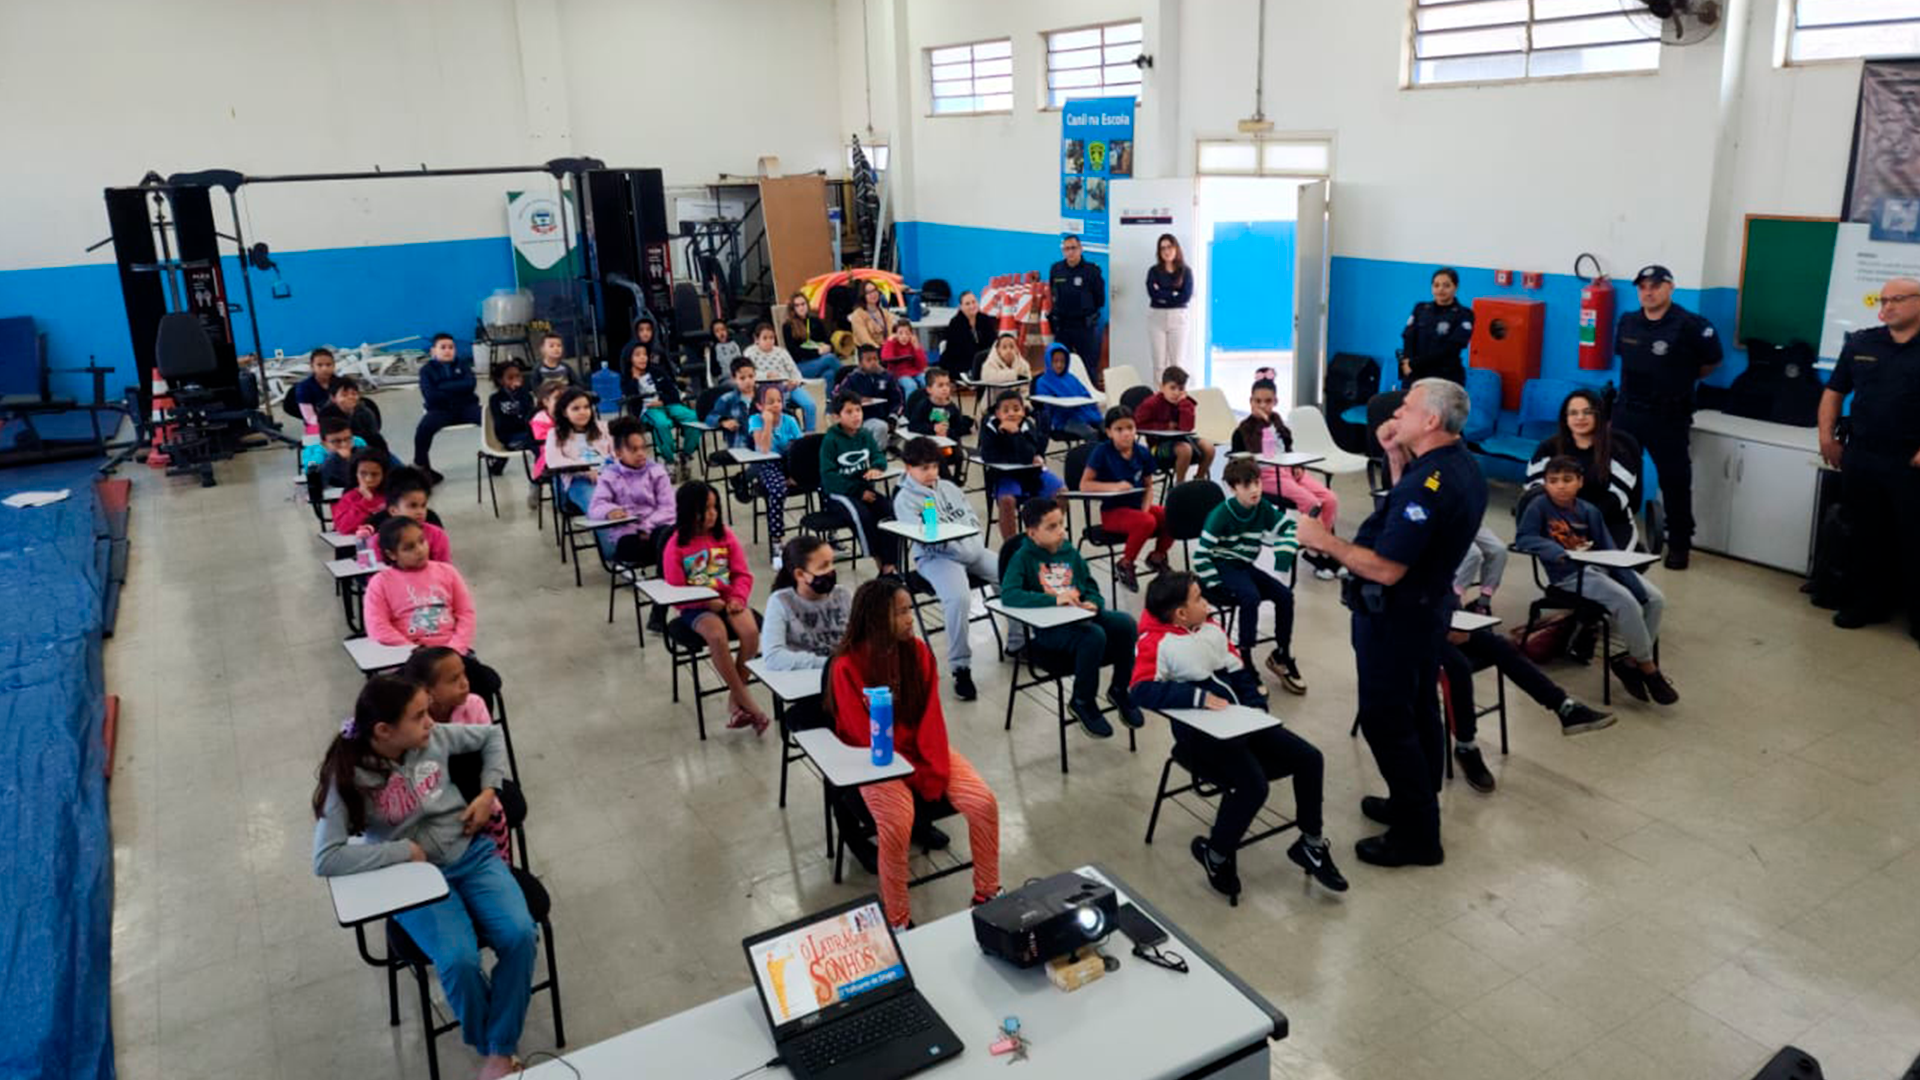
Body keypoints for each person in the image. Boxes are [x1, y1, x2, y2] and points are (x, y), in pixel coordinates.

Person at [1294, 378, 1486, 868]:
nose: (1396, 413)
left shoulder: (1429, 483)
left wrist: (1323, 539)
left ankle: (1419, 834)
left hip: (1398, 617)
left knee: (1386, 722)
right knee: (1419, 709)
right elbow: (1410, 517)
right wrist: (1396, 456)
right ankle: (1413, 804)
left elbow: (1387, 567)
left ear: (1431, 420)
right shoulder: (1454, 465)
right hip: (1426, 610)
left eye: (1406, 408)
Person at [311, 676, 530, 1080]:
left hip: (472, 854)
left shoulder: (433, 737)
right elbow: (326, 857)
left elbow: (491, 735)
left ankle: (499, 1049)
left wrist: (487, 793)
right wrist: (400, 851)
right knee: (459, 960)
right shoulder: (348, 775)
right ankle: (495, 1047)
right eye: (419, 716)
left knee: (520, 935)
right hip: (412, 879)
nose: (432, 721)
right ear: (384, 731)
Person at [1129, 572, 1345, 897]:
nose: (1207, 603)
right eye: (1199, 598)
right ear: (1181, 614)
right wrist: (1197, 697)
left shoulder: (1211, 628)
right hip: (1201, 737)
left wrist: (1256, 707)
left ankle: (1311, 844)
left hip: (1242, 723)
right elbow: (1140, 690)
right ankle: (1215, 855)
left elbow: (1238, 670)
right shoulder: (1156, 642)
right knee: (1253, 785)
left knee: (1310, 759)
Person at [824, 580, 1002, 930]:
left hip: (921, 749)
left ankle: (987, 893)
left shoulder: (918, 652)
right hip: (875, 760)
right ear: (876, 618)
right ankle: (898, 919)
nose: (910, 619)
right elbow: (862, 735)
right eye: (900, 612)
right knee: (896, 824)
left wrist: (931, 768)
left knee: (982, 802)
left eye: (909, 610)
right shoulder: (846, 666)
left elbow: (931, 717)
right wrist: (910, 773)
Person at [1516, 456, 1677, 705]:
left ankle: (1630, 662)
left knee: (1654, 599)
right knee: (1626, 602)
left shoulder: (1588, 510)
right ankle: (1648, 668)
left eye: (1567, 480)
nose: (1560, 486)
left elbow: (1607, 547)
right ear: (1545, 484)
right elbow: (1524, 538)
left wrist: (1628, 578)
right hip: (1569, 576)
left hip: (1599, 567)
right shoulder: (1538, 507)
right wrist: (1556, 551)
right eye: (1553, 481)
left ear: (1580, 482)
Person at [1820, 275, 1920, 643]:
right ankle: (1867, 604)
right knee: (1865, 535)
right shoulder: (1862, 342)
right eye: (1883, 300)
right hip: (1862, 455)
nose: (1887, 306)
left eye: (1897, 299)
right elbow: (1834, 391)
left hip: (1909, 461)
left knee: (1914, 539)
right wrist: (1826, 436)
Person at [1439, 588, 1615, 794]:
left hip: (1444, 621)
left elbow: (1446, 591)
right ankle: (1466, 746)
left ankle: (1564, 707)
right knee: (1458, 667)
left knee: (1501, 646)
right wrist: (1442, 629)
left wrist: (1456, 619)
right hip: (1418, 632)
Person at [1000, 497, 1143, 737]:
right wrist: (1054, 600)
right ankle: (1082, 701)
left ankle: (1119, 689)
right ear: (1032, 533)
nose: (1061, 531)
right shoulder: (1022, 557)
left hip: (1080, 615)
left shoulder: (1070, 552)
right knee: (1094, 636)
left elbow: (1090, 586)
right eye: (1052, 527)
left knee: (1126, 624)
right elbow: (1010, 594)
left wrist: (1093, 604)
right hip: (1051, 629)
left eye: (1061, 524)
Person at [1613, 264, 1723, 569]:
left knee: (1674, 481)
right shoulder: (1628, 321)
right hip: (1628, 412)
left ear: (1670, 287)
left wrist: (1679, 379)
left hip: (1668, 416)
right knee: (1619, 476)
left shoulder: (1692, 325)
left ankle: (1679, 545)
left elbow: (1710, 363)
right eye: (1643, 287)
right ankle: (1619, 536)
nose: (1648, 292)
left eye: (1655, 286)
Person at [895, 437, 999, 701]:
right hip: (937, 558)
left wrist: (970, 544)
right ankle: (960, 667)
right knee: (959, 598)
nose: (931, 473)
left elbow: (971, 517)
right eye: (924, 468)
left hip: (971, 550)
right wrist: (952, 542)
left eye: (934, 466)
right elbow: (926, 535)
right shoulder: (905, 499)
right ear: (908, 468)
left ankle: (1019, 641)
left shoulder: (949, 487)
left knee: (1009, 572)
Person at [662, 480, 768, 733]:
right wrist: (705, 602)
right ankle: (749, 703)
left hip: (728, 600)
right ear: (689, 512)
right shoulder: (676, 546)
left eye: (715, 508)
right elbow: (675, 592)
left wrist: (737, 598)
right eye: (705, 509)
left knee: (750, 632)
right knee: (716, 635)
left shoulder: (725, 536)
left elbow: (742, 574)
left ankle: (736, 699)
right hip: (694, 607)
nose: (712, 514)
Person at [1195, 458, 1306, 695]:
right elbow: (1201, 554)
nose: (1255, 489)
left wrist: (1286, 545)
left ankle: (1282, 654)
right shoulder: (1220, 514)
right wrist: (1214, 583)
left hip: (1245, 566)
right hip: (1221, 566)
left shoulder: (1262, 506)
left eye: (1257, 483)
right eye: (1247, 485)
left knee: (1285, 595)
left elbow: (1288, 526)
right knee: (1250, 597)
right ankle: (1244, 659)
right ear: (1233, 488)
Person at [364, 516, 500, 699]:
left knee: (480, 684)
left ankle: (475, 716)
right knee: (405, 698)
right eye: (409, 547)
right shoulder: (380, 583)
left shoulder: (448, 572)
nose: (420, 550)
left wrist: (455, 648)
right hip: (409, 659)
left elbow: (465, 614)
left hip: (452, 651)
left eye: (422, 541)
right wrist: (414, 651)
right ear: (392, 554)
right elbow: (378, 628)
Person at [403, 647, 512, 859]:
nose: (465, 683)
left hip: (475, 788)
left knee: (494, 818)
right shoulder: (414, 723)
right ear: (427, 692)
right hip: (431, 800)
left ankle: (499, 864)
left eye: (464, 674)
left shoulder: (475, 705)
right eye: (454, 680)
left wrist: (487, 795)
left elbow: (492, 753)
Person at [1524, 389, 1643, 549]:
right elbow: (1535, 489)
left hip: (1610, 524)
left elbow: (1618, 496)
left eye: (1587, 412)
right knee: (1561, 561)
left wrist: (1585, 520)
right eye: (1573, 413)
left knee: (1605, 564)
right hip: (1558, 524)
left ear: (1598, 416)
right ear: (1565, 418)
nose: (1580, 418)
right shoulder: (1548, 448)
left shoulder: (1618, 450)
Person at [1233, 377, 1340, 537]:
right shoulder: (1244, 429)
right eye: (1258, 401)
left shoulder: (1277, 421)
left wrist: (1296, 465)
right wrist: (1264, 423)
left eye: (1268, 401)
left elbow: (1287, 448)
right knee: (1310, 502)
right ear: (1251, 401)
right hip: (1266, 475)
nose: (1262, 405)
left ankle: (1323, 540)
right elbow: (1260, 451)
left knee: (1330, 498)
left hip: (1289, 471)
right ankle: (1315, 540)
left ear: (1275, 401)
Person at [1082, 406, 1174, 591]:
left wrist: (1145, 508)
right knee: (1146, 522)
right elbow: (1085, 485)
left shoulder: (1142, 452)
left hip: (1136, 507)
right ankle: (1125, 563)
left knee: (1171, 515)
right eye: (1119, 429)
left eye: (1130, 428)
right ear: (1109, 432)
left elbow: (1148, 486)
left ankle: (1157, 557)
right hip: (1113, 512)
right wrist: (1114, 486)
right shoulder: (1102, 452)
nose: (1126, 433)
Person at [819, 392, 900, 574]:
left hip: (863, 490)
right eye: (849, 412)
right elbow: (829, 477)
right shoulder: (830, 440)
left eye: (858, 410)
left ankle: (890, 566)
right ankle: (878, 560)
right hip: (839, 494)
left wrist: (877, 467)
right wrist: (858, 492)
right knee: (861, 516)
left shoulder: (865, 434)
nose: (856, 415)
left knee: (889, 510)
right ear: (837, 417)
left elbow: (878, 455)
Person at [589, 415, 677, 568]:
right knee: (628, 547)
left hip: (657, 528)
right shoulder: (610, 475)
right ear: (618, 453)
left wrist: (646, 527)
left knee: (667, 537)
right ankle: (665, 562)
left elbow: (668, 508)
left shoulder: (657, 471)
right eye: (633, 450)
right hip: (628, 533)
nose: (640, 453)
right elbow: (595, 508)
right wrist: (610, 511)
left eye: (643, 448)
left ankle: (667, 569)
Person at [979, 390, 1064, 541]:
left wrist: (1016, 434)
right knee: (1007, 500)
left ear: (1023, 411)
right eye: (1006, 411)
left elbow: (1030, 454)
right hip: (1005, 476)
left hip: (1032, 474)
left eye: (1016, 409)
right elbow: (989, 456)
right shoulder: (990, 427)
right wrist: (1017, 457)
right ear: (997, 413)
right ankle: (1012, 545)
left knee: (1062, 492)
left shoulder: (1027, 426)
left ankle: (1048, 533)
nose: (1012, 414)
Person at [762, 535, 851, 673]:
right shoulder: (780, 602)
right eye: (823, 566)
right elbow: (773, 657)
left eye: (832, 562)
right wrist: (830, 663)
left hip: (842, 673)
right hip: (804, 675)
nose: (831, 570)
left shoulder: (842, 594)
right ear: (800, 574)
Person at [619, 341, 697, 482]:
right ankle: (670, 461)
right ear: (630, 358)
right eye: (637, 355)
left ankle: (686, 455)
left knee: (693, 417)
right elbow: (631, 400)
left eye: (645, 354)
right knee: (662, 424)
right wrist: (635, 380)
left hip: (665, 403)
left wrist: (662, 401)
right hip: (647, 409)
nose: (642, 358)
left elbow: (673, 392)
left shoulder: (656, 371)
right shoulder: (627, 378)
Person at [412, 332, 484, 483]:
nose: (447, 351)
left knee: (490, 418)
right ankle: (423, 467)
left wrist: (442, 386)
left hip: (467, 407)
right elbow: (430, 395)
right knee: (423, 429)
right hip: (440, 410)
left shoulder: (463, 365)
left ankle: (497, 459)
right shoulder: (426, 371)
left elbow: (470, 385)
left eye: (451, 347)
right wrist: (457, 390)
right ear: (433, 351)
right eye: (443, 347)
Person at [746, 382, 803, 558]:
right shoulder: (755, 420)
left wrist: (795, 474)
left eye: (779, 400)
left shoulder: (790, 420)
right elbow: (763, 450)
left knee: (823, 481)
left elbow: (800, 448)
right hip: (766, 464)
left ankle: (830, 535)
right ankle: (777, 541)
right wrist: (768, 423)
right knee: (778, 490)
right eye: (770, 402)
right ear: (759, 406)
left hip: (790, 464)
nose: (776, 405)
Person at [1133, 365, 1215, 484]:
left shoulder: (1186, 403)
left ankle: (1199, 480)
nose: (1176, 393)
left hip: (1182, 440)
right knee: (1185, 450)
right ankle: (1179, 486)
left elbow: (1187, 428)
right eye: (1172, 388)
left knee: (1209, 447)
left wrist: (1184, 404)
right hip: (1157, 447)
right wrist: (1164, 426)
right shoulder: (1151, 403)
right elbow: (1136, 424)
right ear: (1162, 387)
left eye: (1181, 389)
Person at [1399, 267, 1473, 387]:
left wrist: (1414, 364)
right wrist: (1407, 362)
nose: (1440, 289)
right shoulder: (1420, 308)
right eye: (1436, 285)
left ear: (1456, 287)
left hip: (1445, 377)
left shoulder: (1465, 314)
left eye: (1446, 285)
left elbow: (1451, 349)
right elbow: (1408, 337)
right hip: (1415, 374)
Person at [1049, 234, 1106, 380]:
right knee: (1060, 366)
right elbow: (1053, 294)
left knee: (1088, 366)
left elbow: (1100, 300)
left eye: (1073, 248)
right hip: (1063, 326)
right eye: (1066, 249)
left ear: (1081, 249)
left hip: (1084, 327)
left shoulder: (1092, 271)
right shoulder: (1056, 269)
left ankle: (1089, 393)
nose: (1070, 252)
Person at [544, 386, 612, 506]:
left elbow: (617, 454)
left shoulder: (603, 428)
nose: (582, 412)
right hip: (578, 479)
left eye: (586, 407)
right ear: (565, 412)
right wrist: (585, 470)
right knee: (598, 504)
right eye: (576, 408)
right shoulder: (555, 434)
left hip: (609, 475)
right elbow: (554, 461)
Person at [368, 466, 452, 561]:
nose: (420, 511)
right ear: (393, 511)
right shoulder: (378, 541)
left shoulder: (437, 536)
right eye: (413, 506)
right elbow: (375, 569)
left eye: (423, 505)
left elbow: (445, 567)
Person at [744, 321, 814, 431]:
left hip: (787, 385)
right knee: (779, 407)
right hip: (765, 388)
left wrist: (795, 381)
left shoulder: (781, 352)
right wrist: (766, 375)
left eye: (771, 338)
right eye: (765, 338)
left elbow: (794, 370)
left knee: (810, 405)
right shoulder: (750, 353)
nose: (769, 341)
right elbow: (748, 373)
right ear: (756, 339)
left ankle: (810, 433)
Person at [1145, 233, 1193, 381]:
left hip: (1178, 318)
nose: (1166, 251)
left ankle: (1178, 393)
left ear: (1176, 248)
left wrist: (1163, 294)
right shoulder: (1154, 271)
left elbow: (1185, 297)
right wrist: (1173, 294)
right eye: (1162, 248)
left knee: (1177, 363)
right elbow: (1153, 294)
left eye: (1169, 247)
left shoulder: (1185, 271)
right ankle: (1159, 393)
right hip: (1156, 318)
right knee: (1159, 364)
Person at [833, 345, 903, 443]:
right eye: (869, 360)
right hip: (863, 418)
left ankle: (885, 445)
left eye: (875, 359)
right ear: (860, 363)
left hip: (886, 416)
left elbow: (897, 400)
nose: (873, 362)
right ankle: (876, 451)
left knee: (905, 426)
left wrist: (893, 416)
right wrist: (856, 399)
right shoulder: (852, 378)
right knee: (881, 427)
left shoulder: (887, 376)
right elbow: (837, 396)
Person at [1033, 343, 1102, 441]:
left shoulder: (1071, 378)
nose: (1059, 365)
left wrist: (1093, 411)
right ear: (1048, 361)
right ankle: (1094, 451)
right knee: (1091, 434)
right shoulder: (1042, 382)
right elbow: (1045, 406)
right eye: (1055, 361)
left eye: (1062, 361)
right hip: (1063, 419)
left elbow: (1085, 394)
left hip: (1083, 413)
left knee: (1108, 428)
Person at [320, 375, 390, 462]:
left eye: (354, 394)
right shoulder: (326, 414)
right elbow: (330, 439)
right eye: (344, 395)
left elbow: (374, 437)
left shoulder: (366, 412)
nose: (350, 397)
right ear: (333, 398)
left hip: (366, 449)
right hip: (338, 450)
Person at [486, 361, 537, 468]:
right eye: (510, 378)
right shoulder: (495, 399)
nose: (516, 380)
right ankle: (541, 470)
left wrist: (521, 393)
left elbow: (531, 416)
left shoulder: (526, 396)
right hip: (509, 437)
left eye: (518, 376)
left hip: (527, 434)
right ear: (501, 380)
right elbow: (500, 423)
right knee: (536, 444)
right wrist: (521, 422)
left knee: (542, 440)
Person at [905, 367, 975, 443]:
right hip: (928, 443)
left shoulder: (952, 408)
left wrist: (948, 432)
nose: (945, 389)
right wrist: (933, 428)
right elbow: (913, 426)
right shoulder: (923, 405)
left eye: (947, 385)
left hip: (948, 443)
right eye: (940, 385)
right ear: (929, 389)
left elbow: (959, 428)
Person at [942, 291, 999, 377]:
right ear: (961, 307)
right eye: (967, 304)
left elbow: (992, 342)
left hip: (984, 360)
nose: (972, 306)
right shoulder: (955, 323)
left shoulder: (985, 319)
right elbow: (956, 350)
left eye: (974, 302)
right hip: (960, 361)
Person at [1452, 527, 1508, 615]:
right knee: (1473, 554)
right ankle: (1452, 600)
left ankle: (1482, 603)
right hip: (1444, 525)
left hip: (1469, 524)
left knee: (1499, 550)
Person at [782, 293, 838, 380]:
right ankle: (851, 381)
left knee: (830, 374)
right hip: (801, 365)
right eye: (797, 305)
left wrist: (829, 347)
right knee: (830, 358)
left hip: (819, 359)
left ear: (807, 305)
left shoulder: (815, 321)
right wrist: (817, 352)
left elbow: (827, 340)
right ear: (793, 309)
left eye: (803, 304)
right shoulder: (788, 326)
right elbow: (794, 352)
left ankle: (839, 389)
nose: (801, 307)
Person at [333, 450, 388, 536]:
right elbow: (343, 528)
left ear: (383, 474)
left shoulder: (390, 494)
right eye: (363, 473)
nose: (369, 479)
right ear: (355, 474)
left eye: (375, 474)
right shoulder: (349, 498)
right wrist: (365, 502)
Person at [308, 414, 362, 489]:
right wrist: (334, 457)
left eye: (348, 439)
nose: (344, 445)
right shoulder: (323, 459)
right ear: (324, 444)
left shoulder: (361, 453)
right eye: (336, 441)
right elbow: (319, 485)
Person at [879, 318, 929, 396]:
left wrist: (917, 347)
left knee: (927, 381)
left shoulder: (913, 344)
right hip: (898, 373)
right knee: (911, 385)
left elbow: (922, 365)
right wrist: (889, 341)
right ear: (895, 334)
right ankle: (911, 403)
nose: (904, 336)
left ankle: (928, 402)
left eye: (907, 333)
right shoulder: (892, 344)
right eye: (900, 333)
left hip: (915, 372)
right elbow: (885, 357)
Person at [291, 346, 337, 427]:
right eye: (319, 365)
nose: (324, 369)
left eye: (328, 365)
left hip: (341, 423)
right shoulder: (304, 388)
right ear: (312, 367)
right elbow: (309, 418)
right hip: (314, 426)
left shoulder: (342, 383)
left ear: (334, 366)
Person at [849, 280, 892, 351]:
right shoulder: (857, 315)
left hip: (886, 349)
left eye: (874, 290)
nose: (873, 294)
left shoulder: (885, 313)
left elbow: (890, 334)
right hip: (869, 351)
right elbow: (864, 338)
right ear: (863, 295)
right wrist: (878, 349)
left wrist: (888, 348)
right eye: (868, 292)